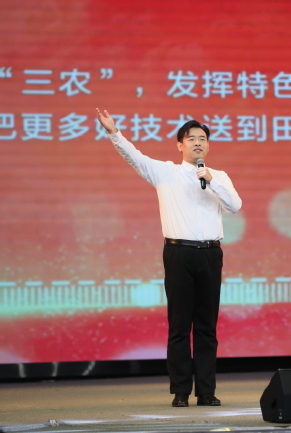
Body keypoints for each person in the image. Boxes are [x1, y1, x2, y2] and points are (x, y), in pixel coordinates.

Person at [95, 109, 242, 407]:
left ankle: (207, 391)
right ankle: (180, 391)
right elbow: (135, 157)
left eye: (202, 139)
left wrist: (211, 180)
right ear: (180, 145)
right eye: (191, 138)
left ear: (208, 146)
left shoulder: (219, 176)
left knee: (206, 327)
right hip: (179, 253)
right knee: (179, 326)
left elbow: (235, 206)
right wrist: (114, 133)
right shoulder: (166, 173)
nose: (197, 143)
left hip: (211, 254)